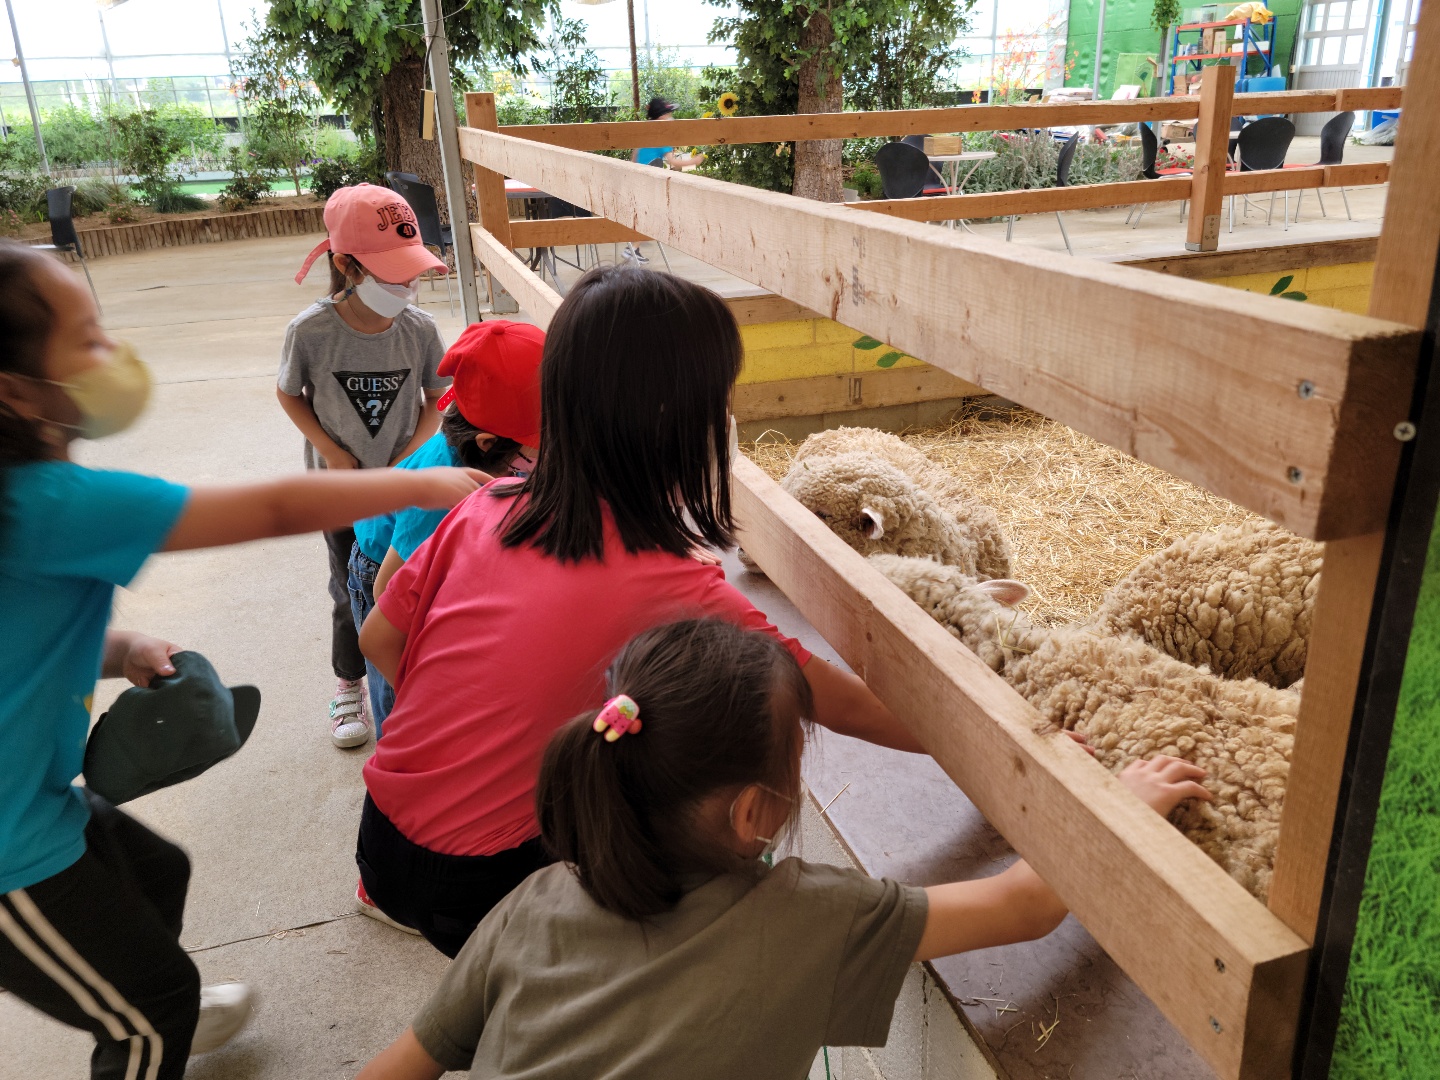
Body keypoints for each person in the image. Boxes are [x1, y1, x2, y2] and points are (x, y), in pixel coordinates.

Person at [0, 242, 482, 1080]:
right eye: (87, 342)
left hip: (31, 803)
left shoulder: (27, 505)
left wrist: (119, 649)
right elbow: (268, 506)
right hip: (9, 854)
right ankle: (146, 1016)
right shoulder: (46, 505)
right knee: (156, 1010)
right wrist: (416, 484)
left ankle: (134, 990)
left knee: (157, 870)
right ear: (13, 390)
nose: (113, 355)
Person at [356, 618, 1212, 1080]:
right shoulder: (813, 916)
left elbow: (394, 1071)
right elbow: (1025, 906)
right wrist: (1114, 808)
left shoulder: (530, 905)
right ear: (754, 814)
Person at [355, 265, 926, 956]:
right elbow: (849, 706)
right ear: (676, 426)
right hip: (485, 880)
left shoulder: (486, 507)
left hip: (383, 835)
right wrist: (995, 755)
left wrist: (476, 724)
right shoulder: (672, 585)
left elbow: (379, 637)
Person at [279, 183, 452, 750]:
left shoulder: (421, 330)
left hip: (406, 490)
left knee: (409, 584)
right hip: (341, 493)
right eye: (390, 274)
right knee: (348, 590)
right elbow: (289, 394)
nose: (405, 285)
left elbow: (436, 399)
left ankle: (417, 671)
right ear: (345, 265)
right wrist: (330, 451)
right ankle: (349, 682)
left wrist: (411, 456)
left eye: (410, 272)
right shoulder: (310, 331)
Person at [348, 319, 543, 739]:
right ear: (489, 444)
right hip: (383, 566)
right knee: (401, 702)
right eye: (540, 445)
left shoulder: (483, 456)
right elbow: (387, 599)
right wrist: (424, 700)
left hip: (423, 554)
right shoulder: (440, 495)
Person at [623, 97, 706, 265]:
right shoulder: (662, 136)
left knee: (643, 213)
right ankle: (632, 248)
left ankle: (634, 247)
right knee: (652, 214)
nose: (671, 117)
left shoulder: (645, 132)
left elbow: (635, 154)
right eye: (669, 113)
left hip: (637, 177)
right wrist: (694, 161)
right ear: (662, 117)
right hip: (650, 180)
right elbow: (673, 162)